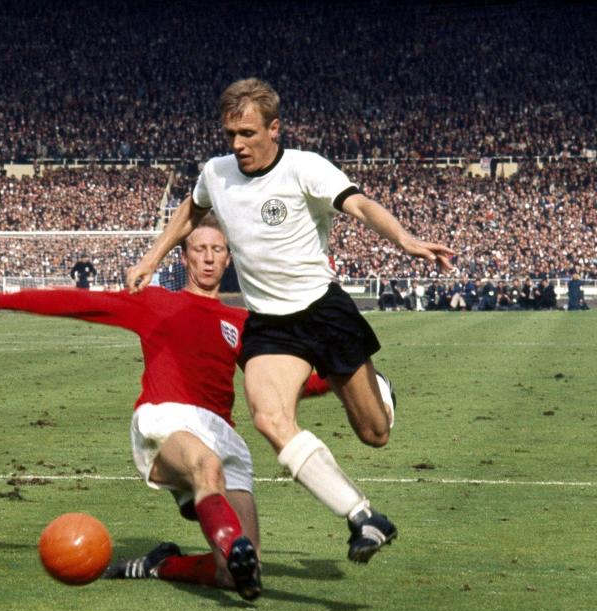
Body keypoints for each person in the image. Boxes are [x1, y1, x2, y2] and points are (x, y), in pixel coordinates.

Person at [126, 77, 454, 564]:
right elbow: (190, 211)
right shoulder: (216, 173)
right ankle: (363, 515)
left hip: (324, 312)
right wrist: (153, 257)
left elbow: (359, 204)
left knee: (375, 433)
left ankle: (379, 389)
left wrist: (403, 239)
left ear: (274, 129)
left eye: (248, 134)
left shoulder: (305, 168)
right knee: (270, 418)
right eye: (231, 135)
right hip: (270, 325)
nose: (237, 145)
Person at [0, 216, 330, 600]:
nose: (208, 258)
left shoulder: (244, 323)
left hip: (223, 433)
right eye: (199, 249)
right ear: (184, 257)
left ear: (228, 258)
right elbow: (79, 303)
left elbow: (282, 389)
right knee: (207, 468)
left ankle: (161, 564)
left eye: (217, 250)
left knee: (239, 575)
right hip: (167, 419)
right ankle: (230, 542)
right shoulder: (154, 301)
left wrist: (344, 376)